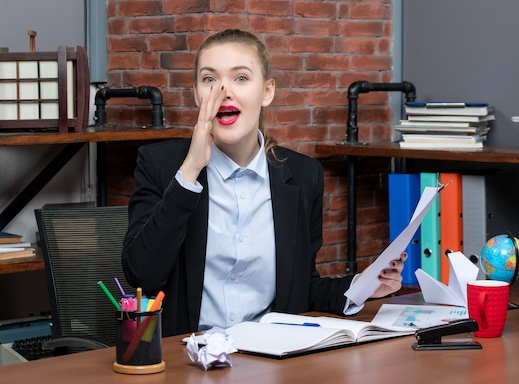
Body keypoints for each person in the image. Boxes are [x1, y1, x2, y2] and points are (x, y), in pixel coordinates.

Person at [122, 28, 407, 337]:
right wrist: (189, 172)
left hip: (270, 354)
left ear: (267, 91)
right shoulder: (161, 167)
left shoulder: (302, 176)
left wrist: (359, 287)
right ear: (196, 94)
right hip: (188, 358)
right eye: (209, 79)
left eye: (241, 78)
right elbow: (143, 276)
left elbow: (301, 287)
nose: (223, 91)